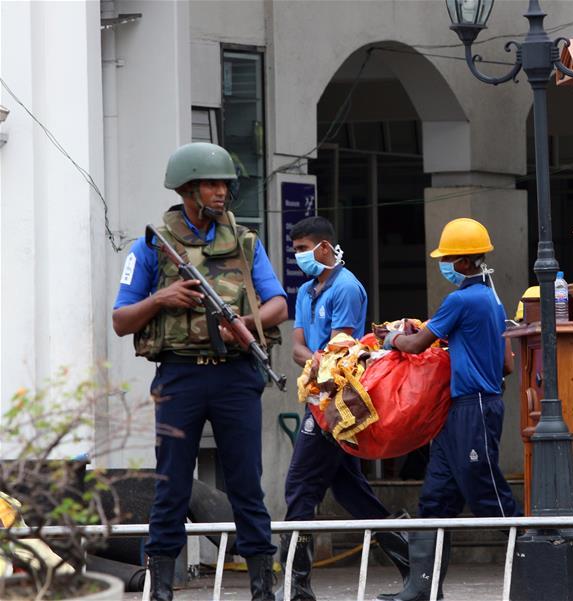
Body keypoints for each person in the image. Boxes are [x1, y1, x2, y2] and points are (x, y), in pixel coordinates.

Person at [112, 142, 287, 601]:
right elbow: (120, 320)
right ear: (188, 188)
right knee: (169, 486)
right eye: (211, 184)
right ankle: (161, 589)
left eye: (225, 184)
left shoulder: (246, 242)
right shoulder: (152, 246)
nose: (221, 192)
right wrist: (161, 300)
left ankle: (262, 589)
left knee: (247, 485)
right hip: (179, 378)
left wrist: (244, 325)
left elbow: (278, 305)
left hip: (234, 377)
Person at [374, 217, 521, 601]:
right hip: (466, 408)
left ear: (464, 262)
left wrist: (387, 336)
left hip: (471, 407)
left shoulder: (460, 299)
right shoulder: (493, 298)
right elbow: (506, 363)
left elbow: (415, 346)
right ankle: (421, 590)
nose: (445, 266)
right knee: (436, 498)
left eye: (449, 259)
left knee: (487, 492)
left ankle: (536, 572)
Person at [283, 216, 409, 601]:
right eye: (297, 251)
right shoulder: (306, 291)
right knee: (352, 493)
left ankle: (295, 585)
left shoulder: (347, 288)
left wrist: (319, 361)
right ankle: (412, 559)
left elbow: (343, 355)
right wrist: (319, 361)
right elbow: (298, 349)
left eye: (304, 250)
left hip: (338, 405)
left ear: (324, 247)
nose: (300, 257)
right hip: (318, 400)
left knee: (300, 487)